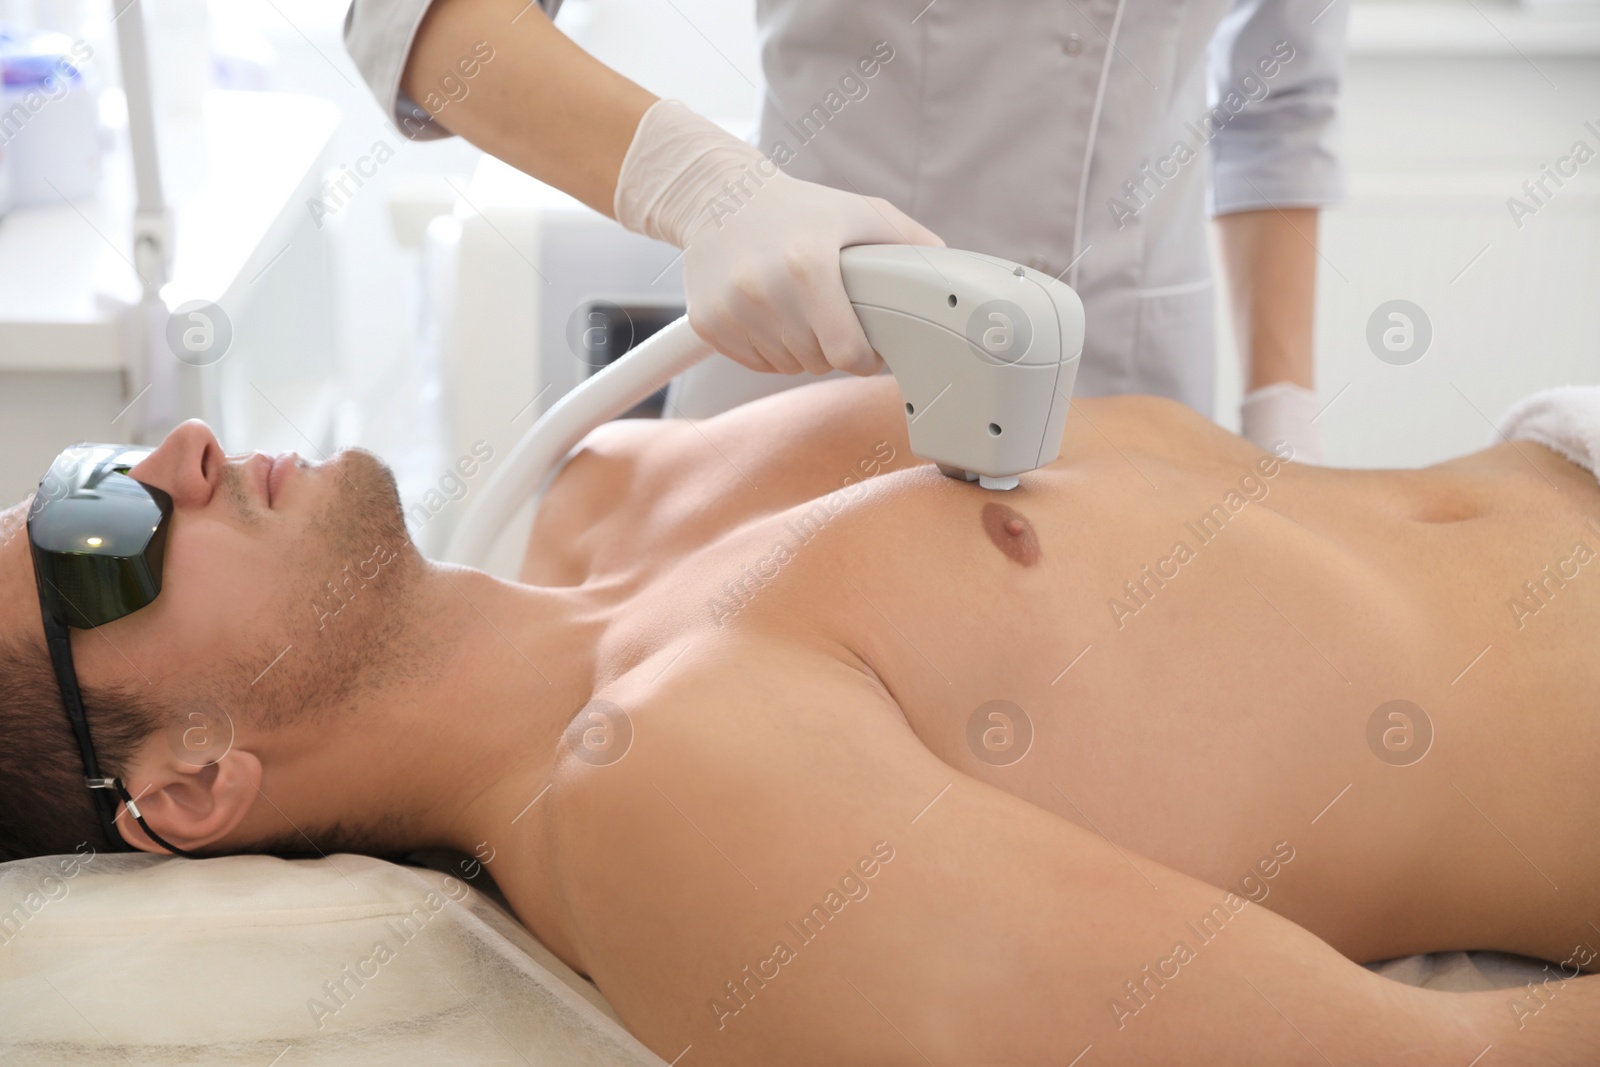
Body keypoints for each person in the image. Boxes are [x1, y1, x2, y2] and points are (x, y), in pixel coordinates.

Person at [3, 376, 1600, 1063]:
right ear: (191, 786)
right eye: (101, 546)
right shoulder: (664, 796)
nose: (178, 455)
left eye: (98, 466)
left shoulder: (614, 488)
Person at [344, 0, 1346, 458]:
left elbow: (1276, 107)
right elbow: (417, 23)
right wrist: (704, 188)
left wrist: (1282, 418)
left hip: (1130, 405)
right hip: (816, 379)